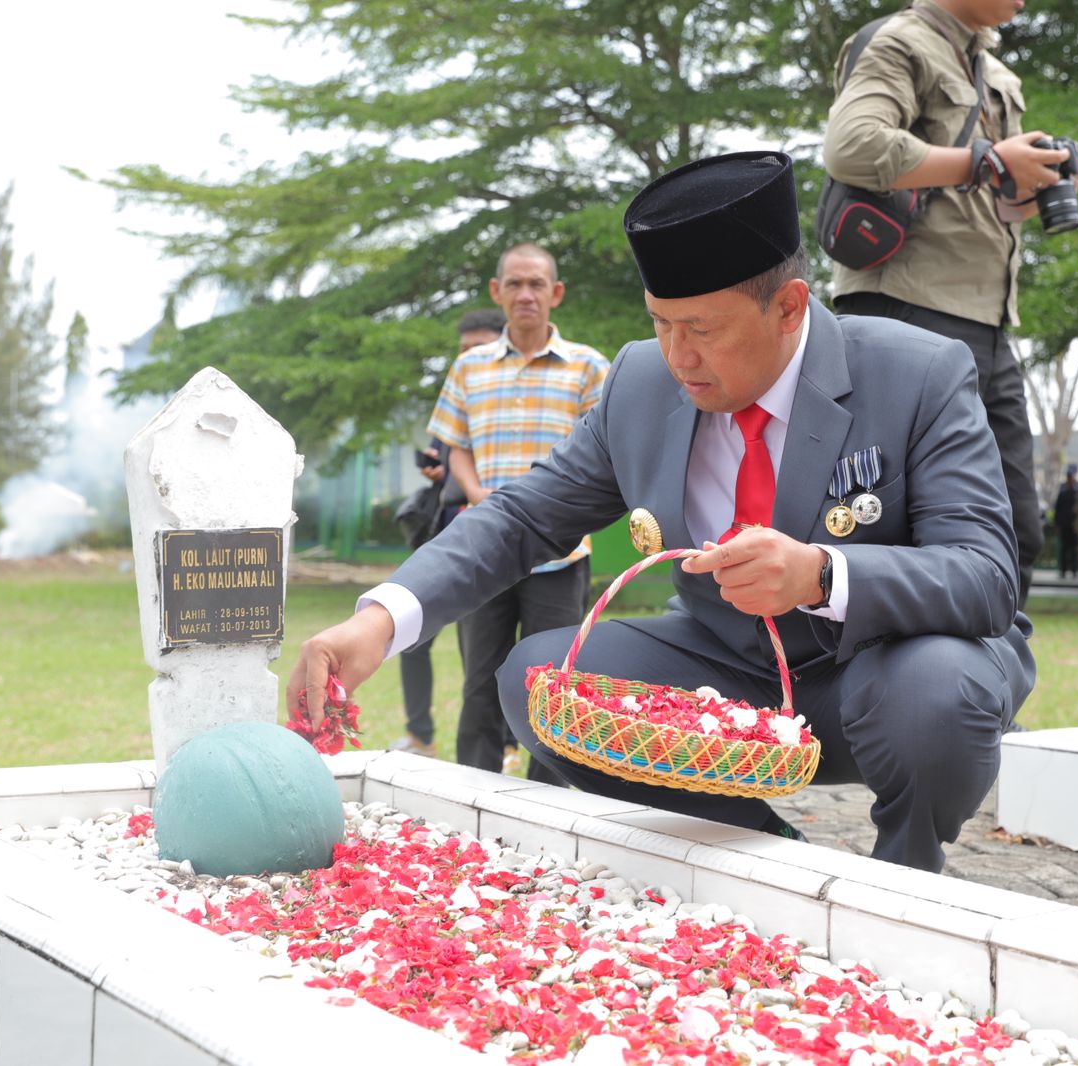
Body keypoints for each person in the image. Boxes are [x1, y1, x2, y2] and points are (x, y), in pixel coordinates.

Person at [288, 151, 1035, 874]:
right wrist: (379, 621)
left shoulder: (917, 372)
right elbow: (521, 519)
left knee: (941, 689)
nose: (677, 356)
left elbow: (985, 577)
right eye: (660, 323)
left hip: (881, 672)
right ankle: (764, 856)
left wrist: (819, 574)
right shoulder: (640, 384)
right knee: (540, 678)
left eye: (701, 329)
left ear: (788, 307)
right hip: (730, 674)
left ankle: (905, 879)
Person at [822, 0, 1078, 593]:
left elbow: (995, 202)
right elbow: (852, 146)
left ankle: (990, 678)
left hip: (989, 321)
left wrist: (1036, 179)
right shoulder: (898, 42)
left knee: (1017, 526)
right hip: (905, 308)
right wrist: (989, 158)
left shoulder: (997, 71)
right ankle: (892, 679)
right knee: (893, 522)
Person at [429, 244, 611, 781]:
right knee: (478, 679)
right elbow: (454, 443)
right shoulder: (469, 368)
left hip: (559, 552)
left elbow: (603, 454)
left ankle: (549, 799)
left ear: (556, 293)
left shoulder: (589, 367)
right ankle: (472, 792)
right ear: (497, 291)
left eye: (536, 284)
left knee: (552, 683)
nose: (525, 294)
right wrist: (476, 491)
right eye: (514, 284)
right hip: (484, 548)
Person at [390, 310, 506, 758]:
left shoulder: (516, 400)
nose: (469, 357)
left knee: (481, 653)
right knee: (410, 632)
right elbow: (441, 452)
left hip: (497, 537)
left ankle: (506, 741)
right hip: (446, 532)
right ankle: (420, 733)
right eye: (463, 349)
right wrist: (440, 468)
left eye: (479, 347)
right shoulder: (458, 394)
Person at [1052, 465, 1078, 578]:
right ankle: (1063, 571)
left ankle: (1074, 570)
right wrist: (1057, 523)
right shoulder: (1063, 490)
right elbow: (1058, 508)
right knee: (1064, 549)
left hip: (1074, 525)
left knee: (1074, 549)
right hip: (1064, 524)